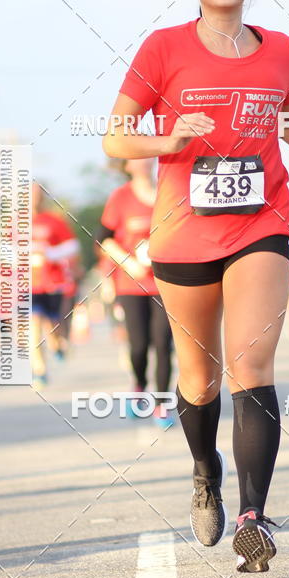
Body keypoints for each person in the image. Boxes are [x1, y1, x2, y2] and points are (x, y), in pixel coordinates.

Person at [103, 0, 289, 573]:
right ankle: (202, 472)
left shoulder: (280, 50)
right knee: (198, 377)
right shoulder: (163, 48)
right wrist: (167, 142)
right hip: (184, 230)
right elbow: (115, 137)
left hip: (261, 222)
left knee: (254, 361)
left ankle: (253, 516)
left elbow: (288, 116)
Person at [97, 159, 174, 423]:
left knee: (163, 343)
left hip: (166, 283)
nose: (143, 160)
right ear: (126, 165)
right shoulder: (120, 197)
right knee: (139, 345)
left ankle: (162, 403)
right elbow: (103, 237)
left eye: (146, 155)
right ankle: (139, 385)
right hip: (131, 284)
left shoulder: (169, 191)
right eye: (136, 157)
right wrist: (128, 262)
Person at [31, 183, 80, 389]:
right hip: (29, 284)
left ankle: (57, 344)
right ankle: (40, 370)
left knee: (52, 326)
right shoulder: (14, 224)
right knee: (33, 323)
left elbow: (72, 246)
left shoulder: (54, 221)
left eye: (36, 194)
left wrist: (49, 253)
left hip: (53, 283)